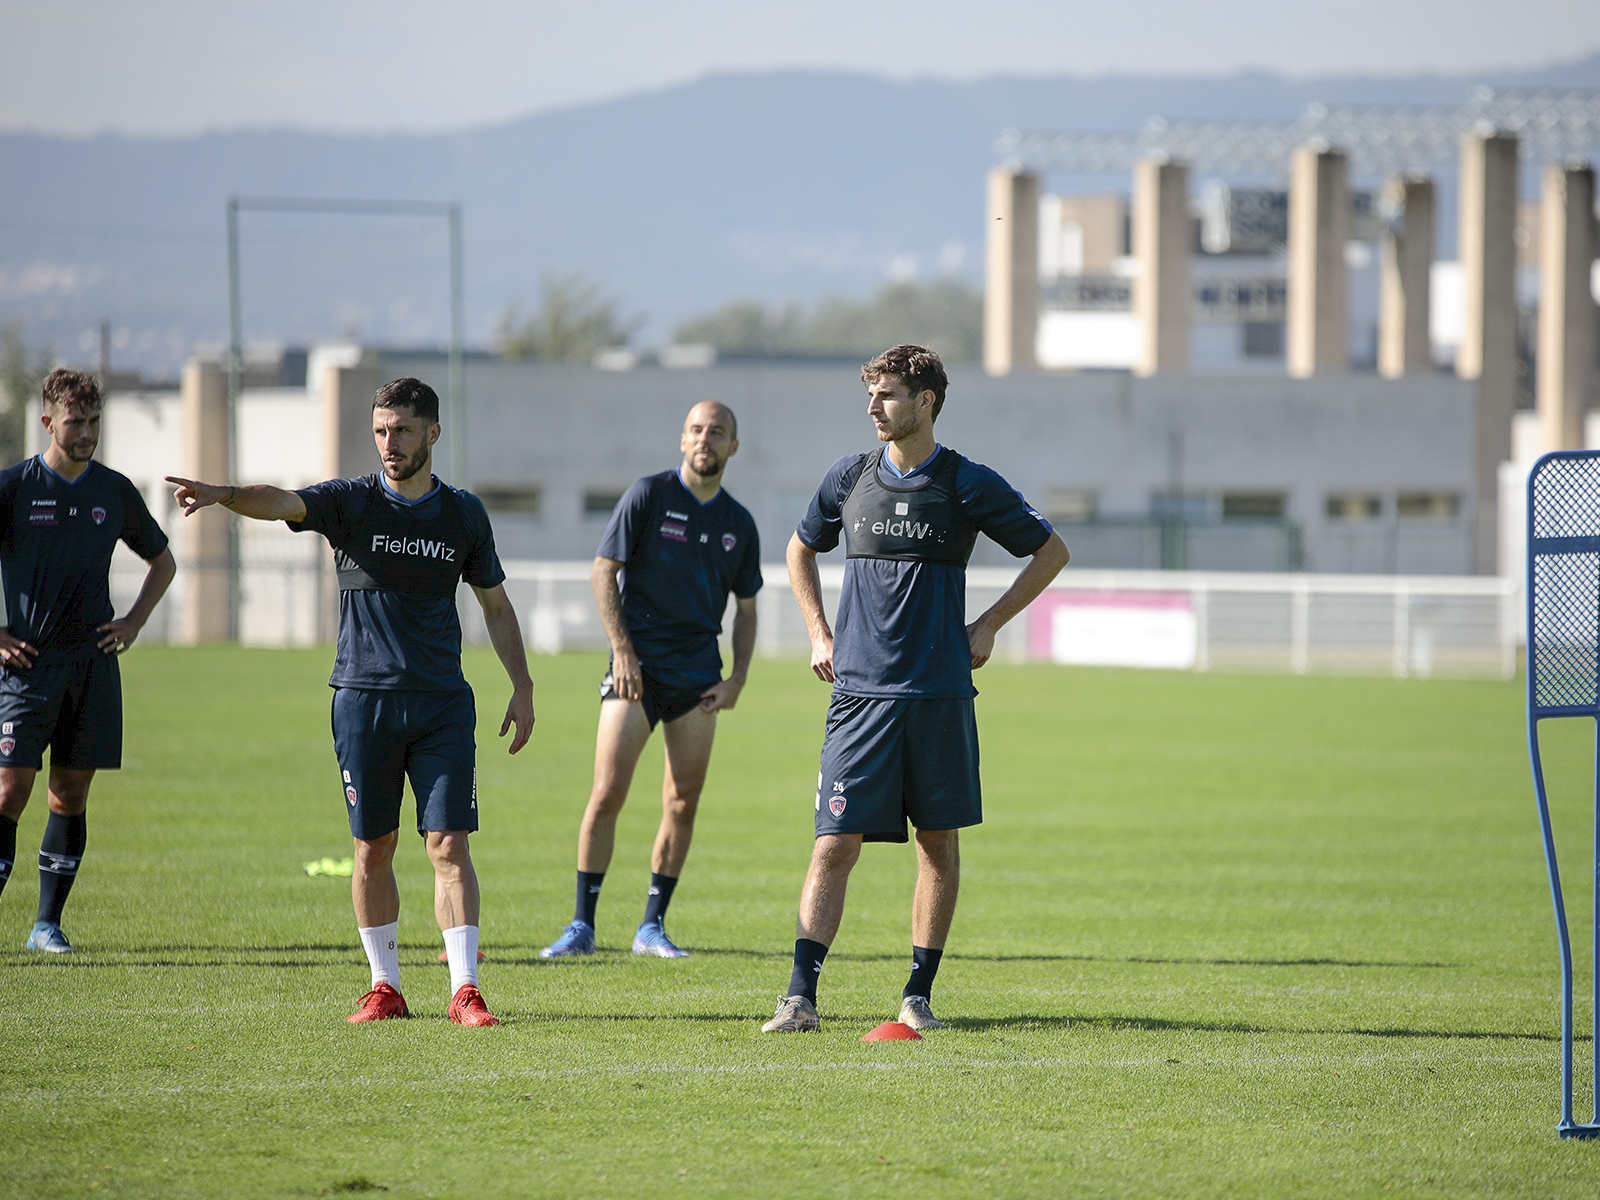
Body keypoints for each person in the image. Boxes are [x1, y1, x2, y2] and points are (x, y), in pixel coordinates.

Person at [167, 376, 534, 1026]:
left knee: (448, 845)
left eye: (403, 431)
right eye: (381, 431)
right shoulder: (349, 504)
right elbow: (281, 500)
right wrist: (224, 495)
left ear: (433, 435)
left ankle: (465, 990)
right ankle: (385, 986)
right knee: (373, 848)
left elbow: (497, 607)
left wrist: (523, 685)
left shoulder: (463, 515)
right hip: (362, 701)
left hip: (442, 703)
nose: (390, 444)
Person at [761, 345, 1069, 1034]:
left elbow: (1050, 550)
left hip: (938, 696)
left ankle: (917, 995)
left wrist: (988, 623)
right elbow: (798, 547)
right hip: (860, 697)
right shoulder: (850, 476)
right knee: (833, 844)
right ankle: (799, 997)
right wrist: (817, 631)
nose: (873, 406)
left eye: (888, 394)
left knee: (938, 845)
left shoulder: (966, 482)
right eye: (869, 394)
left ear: (926, 400)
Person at [541, 401, 760, 960]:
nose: (705, 439)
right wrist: (621, 651)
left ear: (734, 446)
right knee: (608, 793)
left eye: (717, 432)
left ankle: (651, 928)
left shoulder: (739, 523)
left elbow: (748, 610)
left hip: (698, 678)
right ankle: (581, 926)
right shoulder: (649, 494)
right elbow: (602, 570)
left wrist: (736, 680)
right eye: (695, 429)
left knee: (682, 803)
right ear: (681, 440)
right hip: (634, 672)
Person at [0, 369, 176, 953]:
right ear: (47, 422)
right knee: (8, 791)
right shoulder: (14, 488)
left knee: (69, 793)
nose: (87, 433)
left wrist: (133, 623)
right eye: (76, 422)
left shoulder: (113, 490)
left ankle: (46, 925)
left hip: (92, 666)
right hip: (26, 668)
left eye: (94, 422)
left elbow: (163, 562)